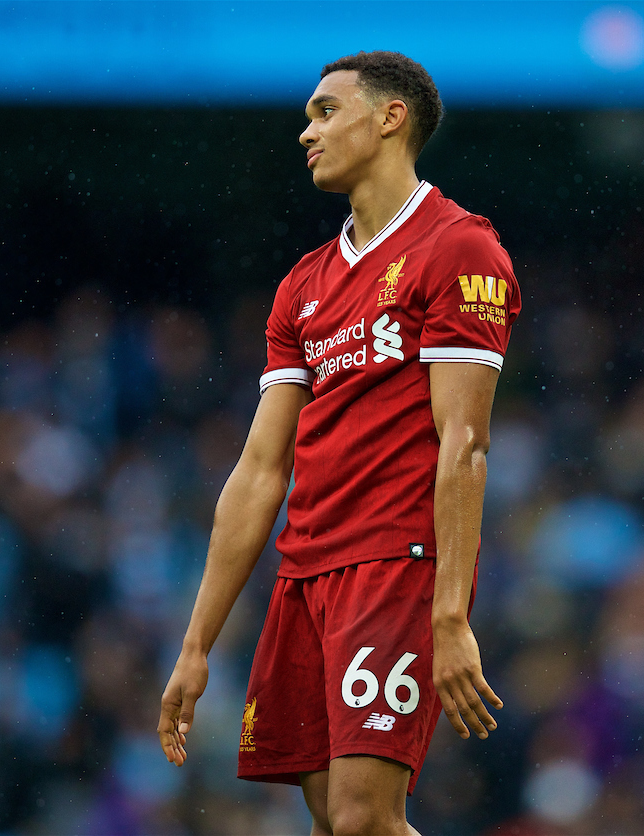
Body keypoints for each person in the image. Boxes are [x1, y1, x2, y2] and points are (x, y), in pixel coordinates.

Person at [157, 50, 521, 836]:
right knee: (329, 820)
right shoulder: (304, 285)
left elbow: (465, 443)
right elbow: (259, 472)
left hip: (394, 563)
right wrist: (196, 644)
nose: (305, 132)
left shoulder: (458, 249)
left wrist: (450, 616)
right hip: (305, 575)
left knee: (362, 817)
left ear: (390, 119)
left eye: (325, 111)